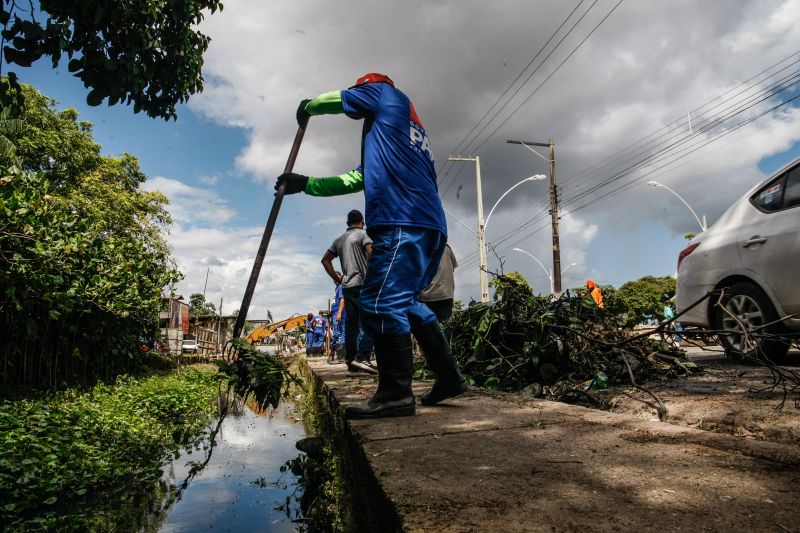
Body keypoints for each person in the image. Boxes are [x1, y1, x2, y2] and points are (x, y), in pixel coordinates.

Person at [276, 73, 466, 419]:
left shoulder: (386, 94)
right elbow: (357, 178)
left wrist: (310, 107)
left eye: (360, 92)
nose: (358, 100)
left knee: (377, 301)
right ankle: (449, 376)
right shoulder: (396, 133)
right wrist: (306, 184)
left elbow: (341, 99)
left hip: (401, 221)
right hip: (428, 224)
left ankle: (395, 395)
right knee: (407, 303)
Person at [320, 210, 377, 376]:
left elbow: (325, 260)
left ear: (347, 222)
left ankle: (352, 366)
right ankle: (362, 358)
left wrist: (338, 280)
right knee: (369, 321)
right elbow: (372, 252)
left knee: (351, 325)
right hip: (363, 284)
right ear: (362, 221)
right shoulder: (363, 235)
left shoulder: (338, 240)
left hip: (347, 286)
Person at [420, 243, 457, 322]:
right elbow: (452, 268)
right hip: (446, 295)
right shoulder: (447, 247)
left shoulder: (422, 246)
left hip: (427, 296)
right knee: (444, 327)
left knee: (425, 329)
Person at [329, 277, 346, 363]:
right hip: (336, 314)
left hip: (340, 314)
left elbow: (343, 299)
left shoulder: (341, 286)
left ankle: (339, 357)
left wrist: (339, 313)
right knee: (337, 334)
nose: (334, 279)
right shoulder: (337, 288)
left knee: (339, 334)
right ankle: (336, 356)